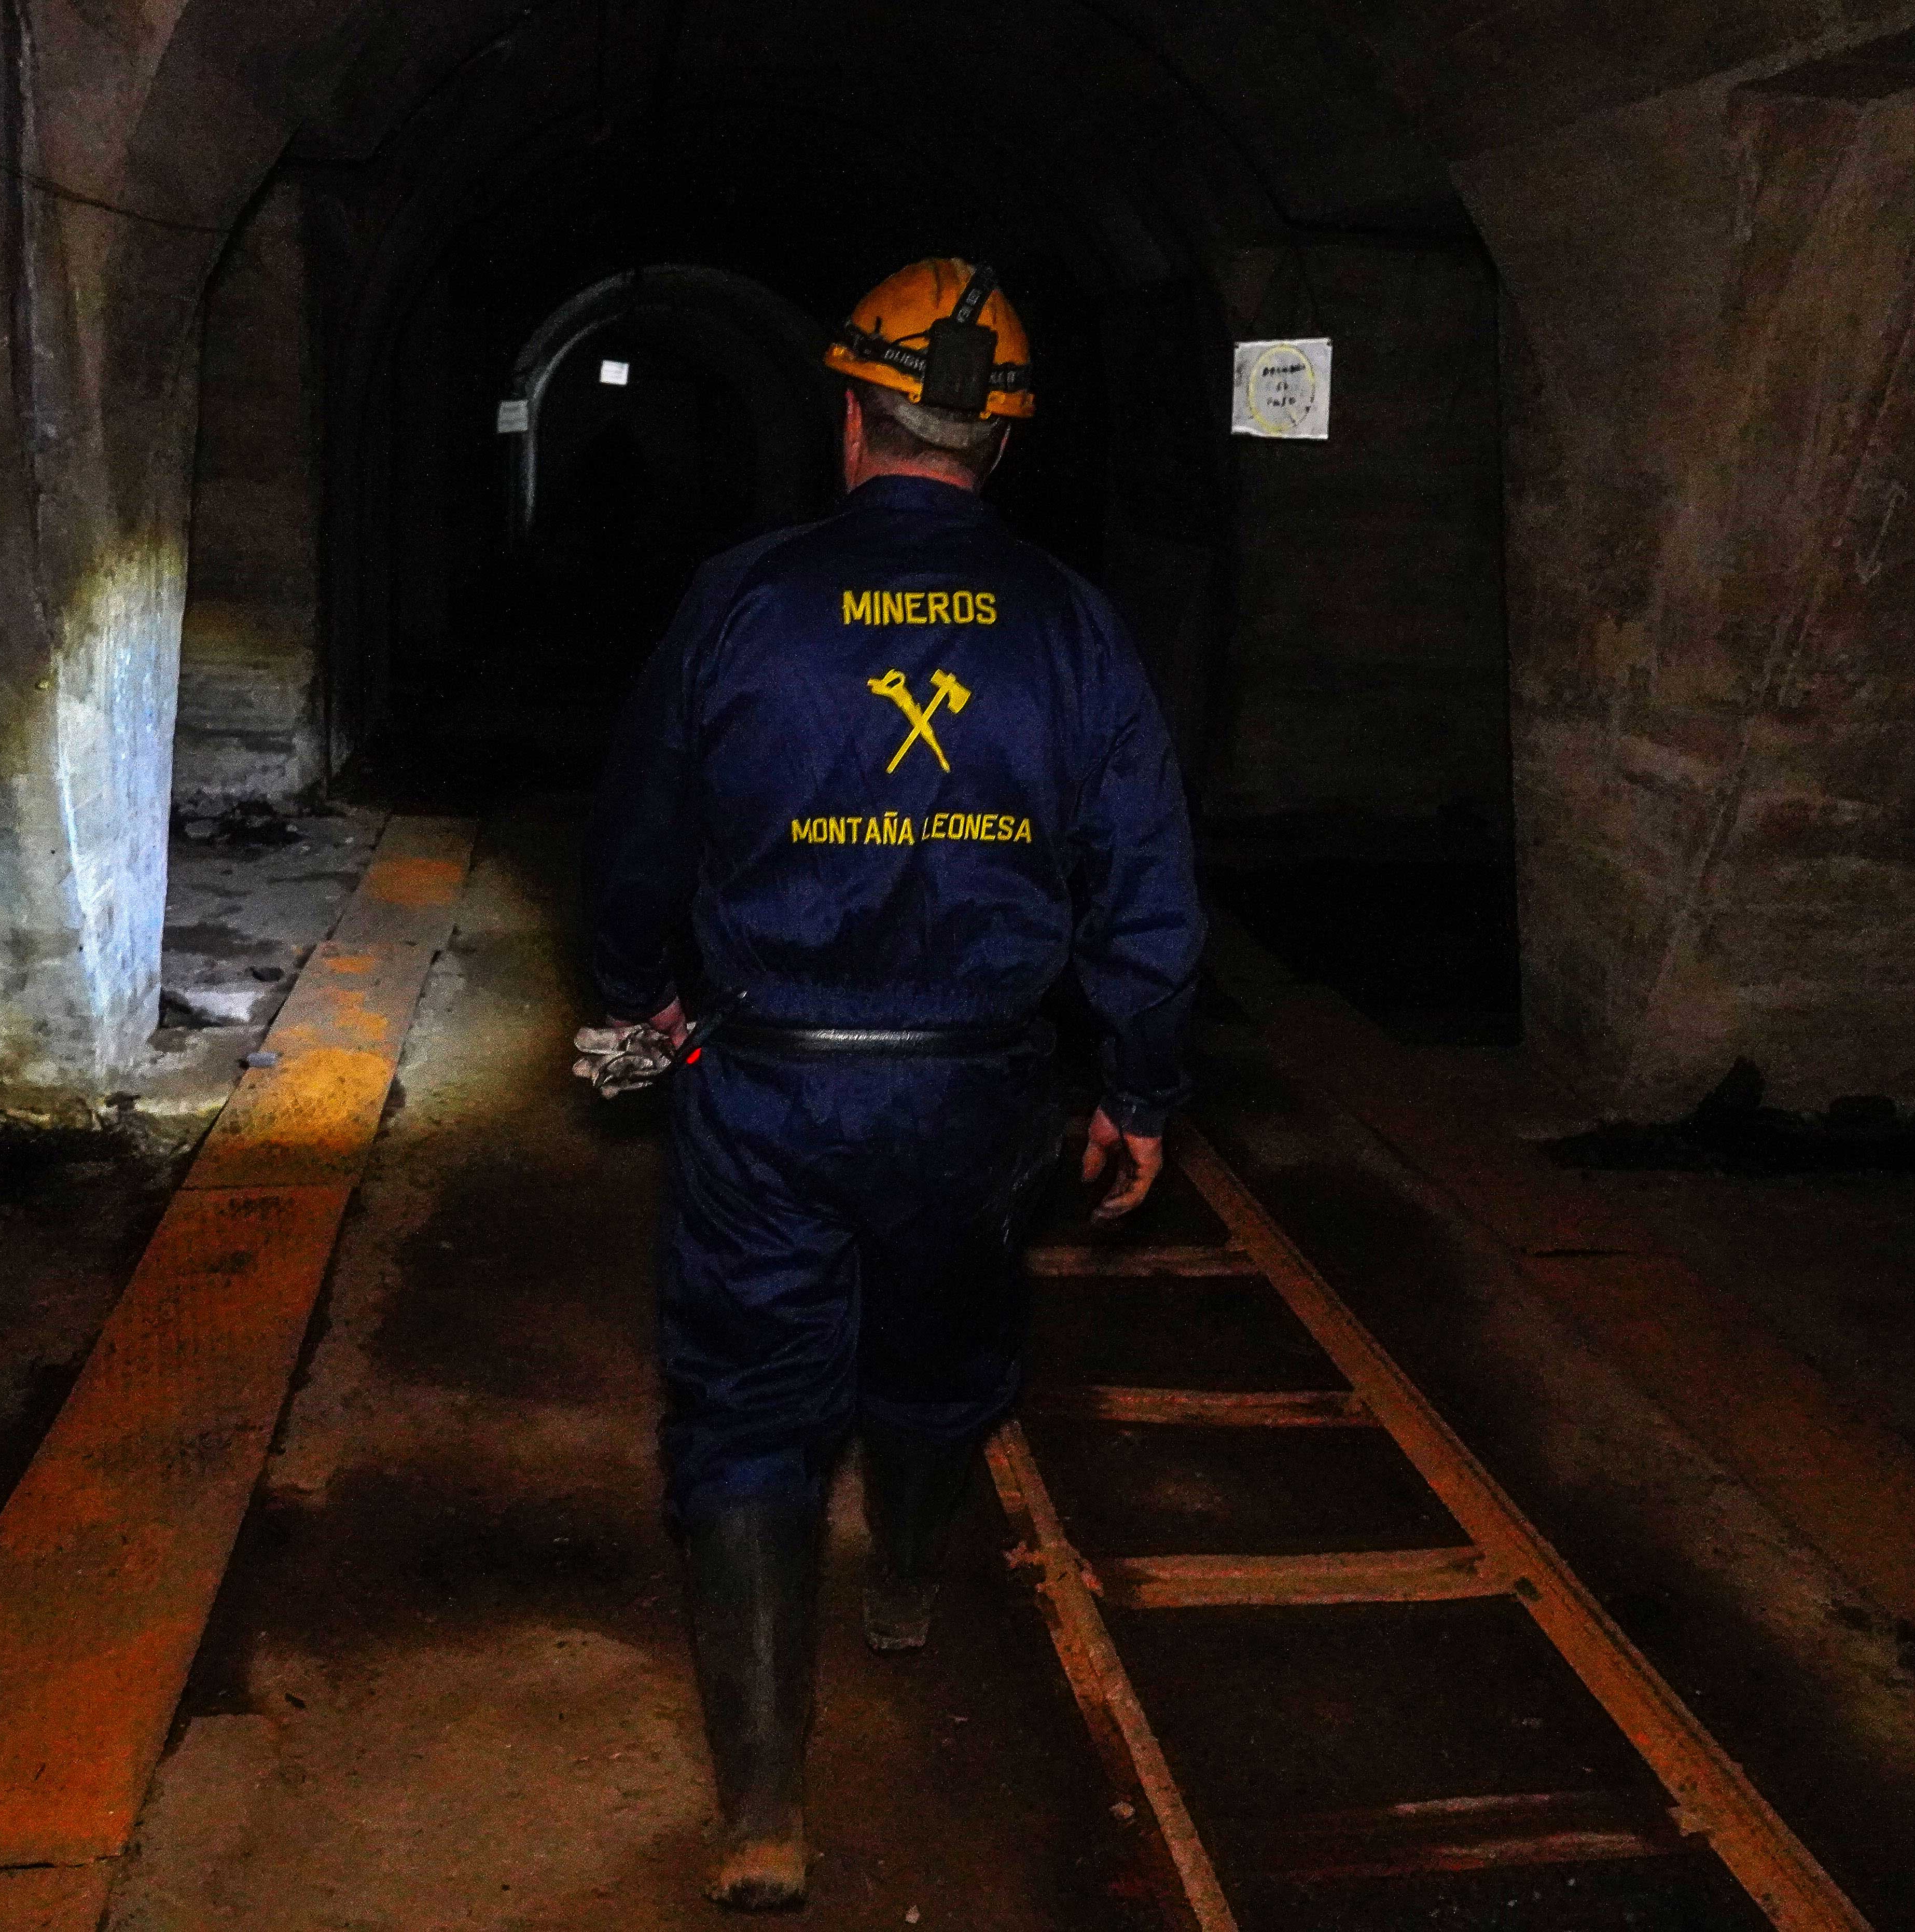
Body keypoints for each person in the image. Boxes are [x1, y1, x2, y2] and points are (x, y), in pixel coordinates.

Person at [582, 257, 1204, 1911]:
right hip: (974, 1089)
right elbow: (1143, 880)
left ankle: (763, 1807)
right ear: (1000, 440)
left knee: (746, 1400)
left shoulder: (740, 597)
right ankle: (908, 1580)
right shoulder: (1071, 624)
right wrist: (1139, 1084)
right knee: (940, 1350)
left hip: (768, 1080)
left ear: (850, 417)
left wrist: (632, 994)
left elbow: (638, 831)